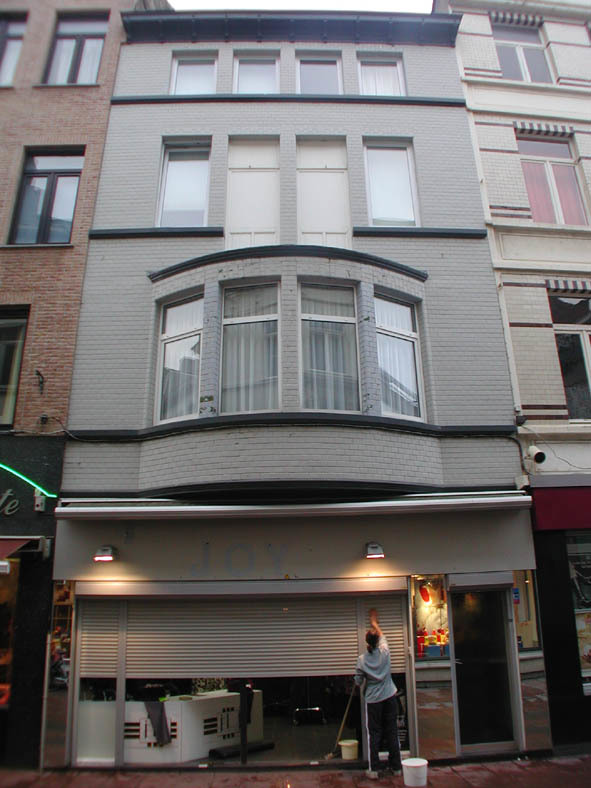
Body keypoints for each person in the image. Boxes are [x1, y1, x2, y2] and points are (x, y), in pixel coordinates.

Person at [355, 607, 402, 779]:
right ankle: (396, 768)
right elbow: (381, 635)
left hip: (373, 700)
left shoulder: (362, 660)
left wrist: (357, 679)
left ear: (367, 642)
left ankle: (374, 770)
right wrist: (374, 622)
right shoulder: (384, 651)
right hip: (389, 696)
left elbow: (358, 681)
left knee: (374, 734)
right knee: (392, 731)